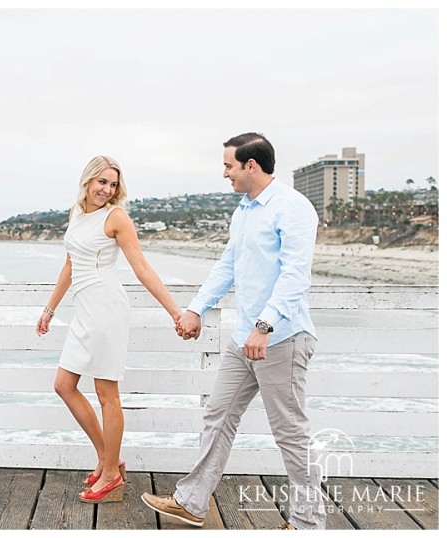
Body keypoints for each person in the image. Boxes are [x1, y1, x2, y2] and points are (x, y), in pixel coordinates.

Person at [140, 133, 326, 529]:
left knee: (291, 435)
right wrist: (195, 308)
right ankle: (191, 502)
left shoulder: (293, 208)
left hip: (282, 339)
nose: (225, 173)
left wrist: (265, 325)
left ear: (251, 166)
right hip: (243, 339)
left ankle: (309, 524)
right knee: (217, 415)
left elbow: (295, 277)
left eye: (229, 165)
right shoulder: (244, 210)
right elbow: (228, 265)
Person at [36, 155, 182, 504]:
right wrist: (49, 309)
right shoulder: (76, 213)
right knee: (63, 385)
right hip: (84, 308)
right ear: (87, 180)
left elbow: (142, 268)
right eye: (102, 182)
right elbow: (70, 265)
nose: (107, 190)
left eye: (113, 184)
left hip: (106, 308)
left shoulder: (116, 217)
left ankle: (111, 472)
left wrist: (176, 312)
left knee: (106, 392)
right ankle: (109, 459)